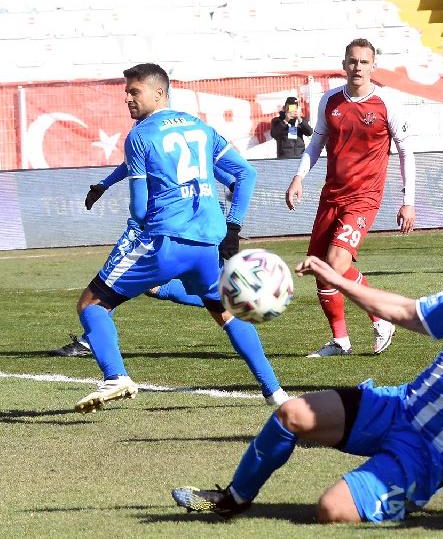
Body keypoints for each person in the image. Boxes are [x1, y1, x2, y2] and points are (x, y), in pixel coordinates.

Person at [171, 248, 443, 525]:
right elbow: (403, 311)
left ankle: (402, 496)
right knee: (291, 414)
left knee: (331, 510)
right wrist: (336, 280)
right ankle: (232, 499)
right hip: (396, 406)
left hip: (427, 454)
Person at [73, 63, 286, 413]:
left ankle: (116, 376)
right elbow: (244, 174)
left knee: (92, 304)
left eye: (134, 91)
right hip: (207, 244)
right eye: (126, 92)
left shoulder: (140, 135)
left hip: (165, 240)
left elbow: (141, 209)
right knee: (226, 313)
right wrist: (233, 228)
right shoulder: (199, 129)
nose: (127, 98)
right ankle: (275, 393)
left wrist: (135, 227)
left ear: (159, 92)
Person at [285, 38, 416, 358]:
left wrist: (408, 199)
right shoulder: (330, 101)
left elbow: (405, 152)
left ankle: (382, 317)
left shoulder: (387, 104)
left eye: (364, 62)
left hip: (364, 198)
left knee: (336, 263)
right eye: (352, 61)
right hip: (331, 196)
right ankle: (340, 341)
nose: (357, 67)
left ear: (374, 66)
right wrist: (299, 176)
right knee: (319, 266)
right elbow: (316, 143)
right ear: (344, 65)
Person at [51, 162, 244, 358]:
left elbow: (233, 175)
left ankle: (91, 342)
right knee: (153, 287)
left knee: (109, 283)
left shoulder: (155, 136)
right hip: (182, 223)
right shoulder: (182, 138)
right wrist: (104, 184)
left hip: (151, 224)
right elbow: (132, 162)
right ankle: (228, 302)